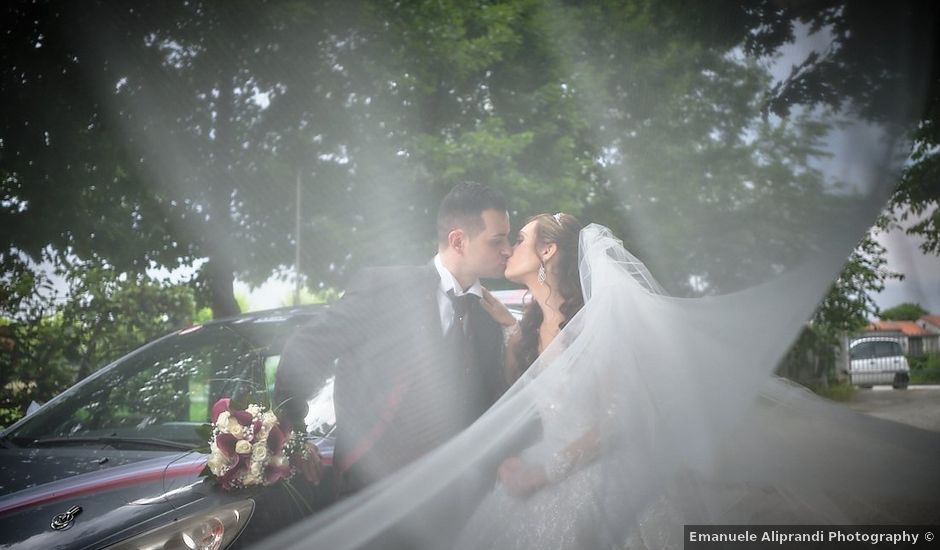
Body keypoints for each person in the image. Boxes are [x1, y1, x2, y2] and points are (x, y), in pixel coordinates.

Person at [273, 181, 512, 496]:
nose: (507, 249)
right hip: (370, 492)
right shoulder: (386, 289)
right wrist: (293, 435)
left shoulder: (488, 317)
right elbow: (306, 348)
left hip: (453, 499)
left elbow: (490, 402)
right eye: (498, 240)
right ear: (458, 240)